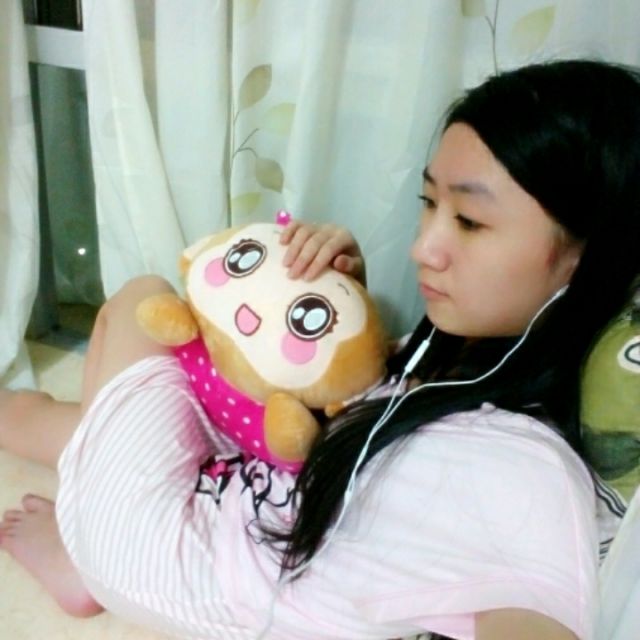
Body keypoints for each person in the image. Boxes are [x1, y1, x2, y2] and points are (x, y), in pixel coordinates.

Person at [1, 58, 639, 640]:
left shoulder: (531, 474)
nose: (423, 248)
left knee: (141, 303)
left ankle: (83, 554)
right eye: (429, 204)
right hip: (240, 491)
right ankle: (86, 496)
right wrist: (345, 305)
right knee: (90, 414)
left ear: (590, 255)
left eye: (469, 221)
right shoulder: (457, 366)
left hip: (161, 554)